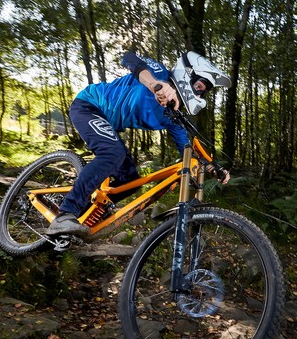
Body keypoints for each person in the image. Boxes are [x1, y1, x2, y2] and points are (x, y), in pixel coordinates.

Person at [46, 50, 232, 237]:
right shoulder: (158, 73)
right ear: (187, 74)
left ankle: (86, 214)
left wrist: (211, 167)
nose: (201, 93)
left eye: (204, 91)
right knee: (114, 153)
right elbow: (128, 58)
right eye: (200, 86)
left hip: (109, 126)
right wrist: (155, 85)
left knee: (131, 182)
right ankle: (66, 213)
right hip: (89, 106)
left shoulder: (171, 115)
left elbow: (187, 148)